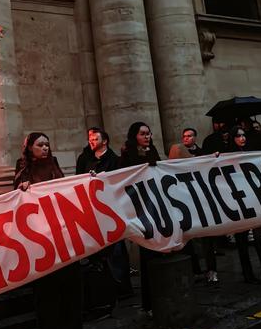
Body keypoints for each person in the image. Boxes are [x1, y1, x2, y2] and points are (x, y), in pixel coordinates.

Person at [13, 132, 82, 329]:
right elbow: (17, 201)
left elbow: (65, 190)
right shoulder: (23, 169)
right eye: (40, 145)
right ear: (30, 147)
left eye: (47, 145)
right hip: (41, 240)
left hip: (62, 235)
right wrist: (22, 190)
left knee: (70, 290)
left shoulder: (54, 164)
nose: (45, 148)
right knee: (47, 295)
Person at [74, 127, 124, 314]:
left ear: (105, 141)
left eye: (95, 138)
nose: (91, 141)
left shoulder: (114, 159)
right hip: (91, 209)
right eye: (90, 138)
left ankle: (119, 285)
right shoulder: (84, 158)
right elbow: (78, 180)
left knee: (114, 250)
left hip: (109, 209)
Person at [228, 127, 261, 285]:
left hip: (253, 198)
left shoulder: (250, 152)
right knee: (242, 240)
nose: (242, 138)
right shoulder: (227, 155)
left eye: (243, 135)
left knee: (259, 238)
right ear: (232, 138)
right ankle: (248, 274)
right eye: (238, 136)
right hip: (239, 201)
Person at [119, 122, 161, 312]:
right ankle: (150, 303)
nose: (147, 137)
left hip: (156, 205)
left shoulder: (153, 151)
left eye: (148, 133)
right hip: (140, 208)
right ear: (134, 136)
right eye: (143, 134)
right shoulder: (127, 154)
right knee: (147, 254)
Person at [168, 128, 218, 284]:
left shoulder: (202, 153)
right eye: (184, 136)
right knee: (188, 238)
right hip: (186, 200)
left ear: (195, 137)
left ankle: (211, 269)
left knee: (207, 237)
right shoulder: (177, 151)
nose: (186, 138)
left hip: (202, 199)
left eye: (189, 136)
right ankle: (195, 270)